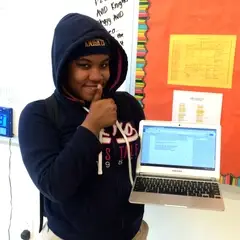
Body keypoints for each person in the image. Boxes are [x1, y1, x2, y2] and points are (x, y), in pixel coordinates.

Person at [18, 13, 148, 240]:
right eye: (84, 65)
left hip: (132, 233)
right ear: (63, 66)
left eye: (104, 65)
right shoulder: (39, 115)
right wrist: (91, 126)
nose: (97, 76)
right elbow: (55, 186)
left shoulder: (127, 105)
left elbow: (142, 162)